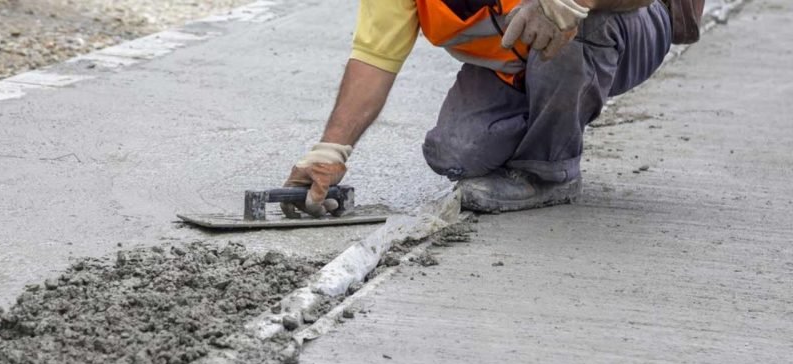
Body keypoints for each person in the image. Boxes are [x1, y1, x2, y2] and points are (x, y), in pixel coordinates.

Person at [280, 0, 677, 219]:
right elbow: (374, 59)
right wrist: (331, 151)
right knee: (454, 153)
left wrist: (568, 3)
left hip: (626, 25)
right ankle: (549, 108)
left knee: (575, 24)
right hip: (517, 65)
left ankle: (550, 171)